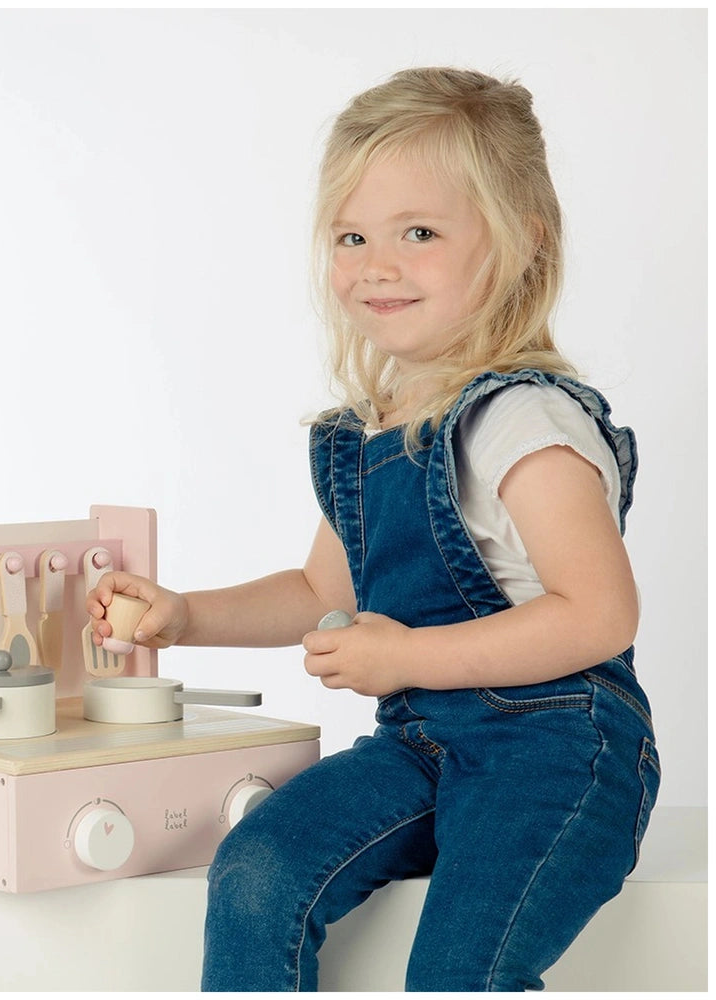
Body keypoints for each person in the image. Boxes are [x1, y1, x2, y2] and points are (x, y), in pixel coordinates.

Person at [86, 67, 660, 992]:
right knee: (258, 869)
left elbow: (599, 615)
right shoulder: (371, 432)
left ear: (522, 243)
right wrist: (185, 614)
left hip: (557, 751)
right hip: (422, 741)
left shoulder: (524, 422)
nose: (375, 264)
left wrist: (407, 660)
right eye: (351, 236)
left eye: (419, 233)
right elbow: (323, 593)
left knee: (459, 966)